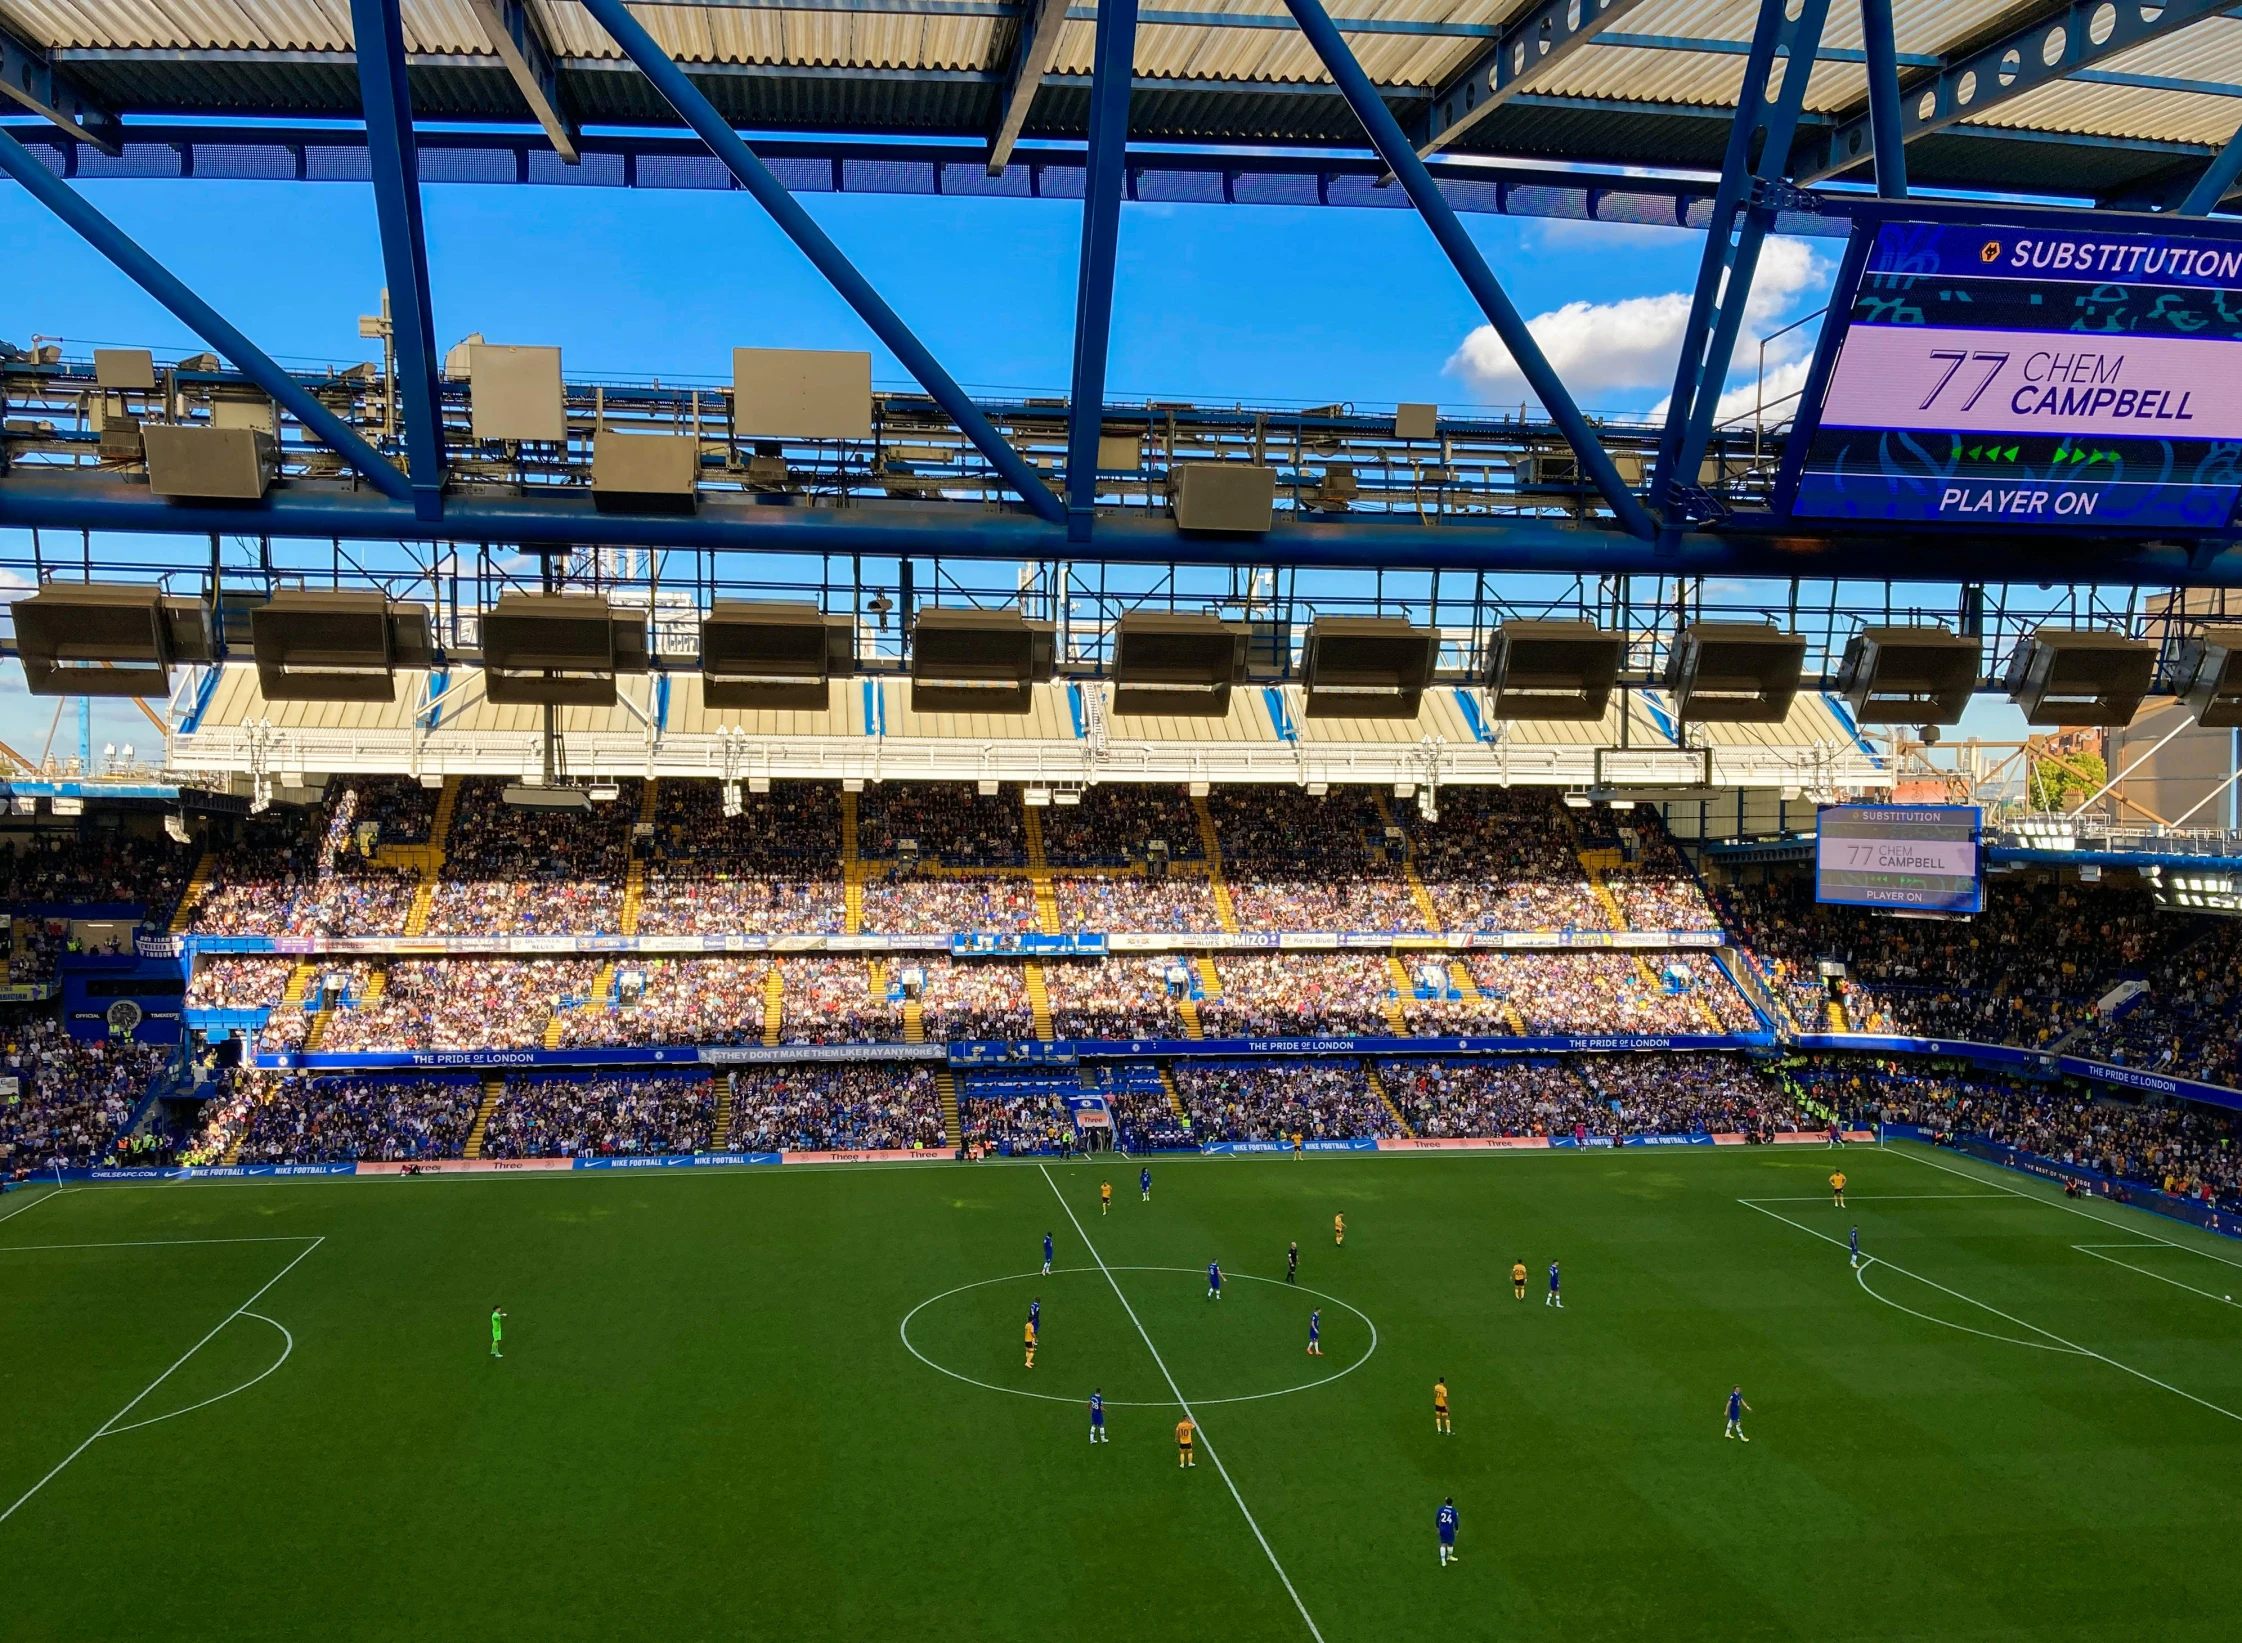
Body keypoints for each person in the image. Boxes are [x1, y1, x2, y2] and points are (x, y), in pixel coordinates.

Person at [1437, 1497, 1459, 1567]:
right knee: (1450, 1543)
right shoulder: (1454, 1511)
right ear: (1451, 1503)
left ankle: (1443, 1561)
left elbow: (1437, 1519)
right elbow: (1456, 1522)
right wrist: (1457, 1529)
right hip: (1449, 1530)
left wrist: (1438, 1527)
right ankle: (1449, 1556)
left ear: (1446, 1502)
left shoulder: (1441, 1509)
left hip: (1442, 1529)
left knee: (1443, 1543)